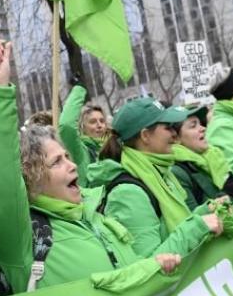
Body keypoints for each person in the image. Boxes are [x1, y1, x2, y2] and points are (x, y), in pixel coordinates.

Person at [0, 39, 205, 294]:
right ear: (30, 178)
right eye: (57, 162)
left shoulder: (95, 217)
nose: (73, 165)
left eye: (68, 156)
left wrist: (152, 265)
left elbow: (126, 281)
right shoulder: (23, 239)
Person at [85, 98, 224, 258]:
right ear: (145, 136)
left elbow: (177, 225)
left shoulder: (161, 171)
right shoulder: (127, 193)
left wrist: (207, 210)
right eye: (168, 128)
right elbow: (150, 263)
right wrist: (198, 227)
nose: (175, 134)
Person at [170, 106, 233, 210]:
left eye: (200, 124)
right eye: (193, 126)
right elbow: (193, 220)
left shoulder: (213, 156)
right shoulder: (177, 172)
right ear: (176, 138)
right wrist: (228, 196)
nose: (203, 128)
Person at [58, 84, 108, 186]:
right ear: (82, 127)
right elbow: (67, 125)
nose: (99, 125)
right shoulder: (80, 150)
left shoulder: (114, 148)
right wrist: (78, 90)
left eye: (102, 121)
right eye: (93, 122)